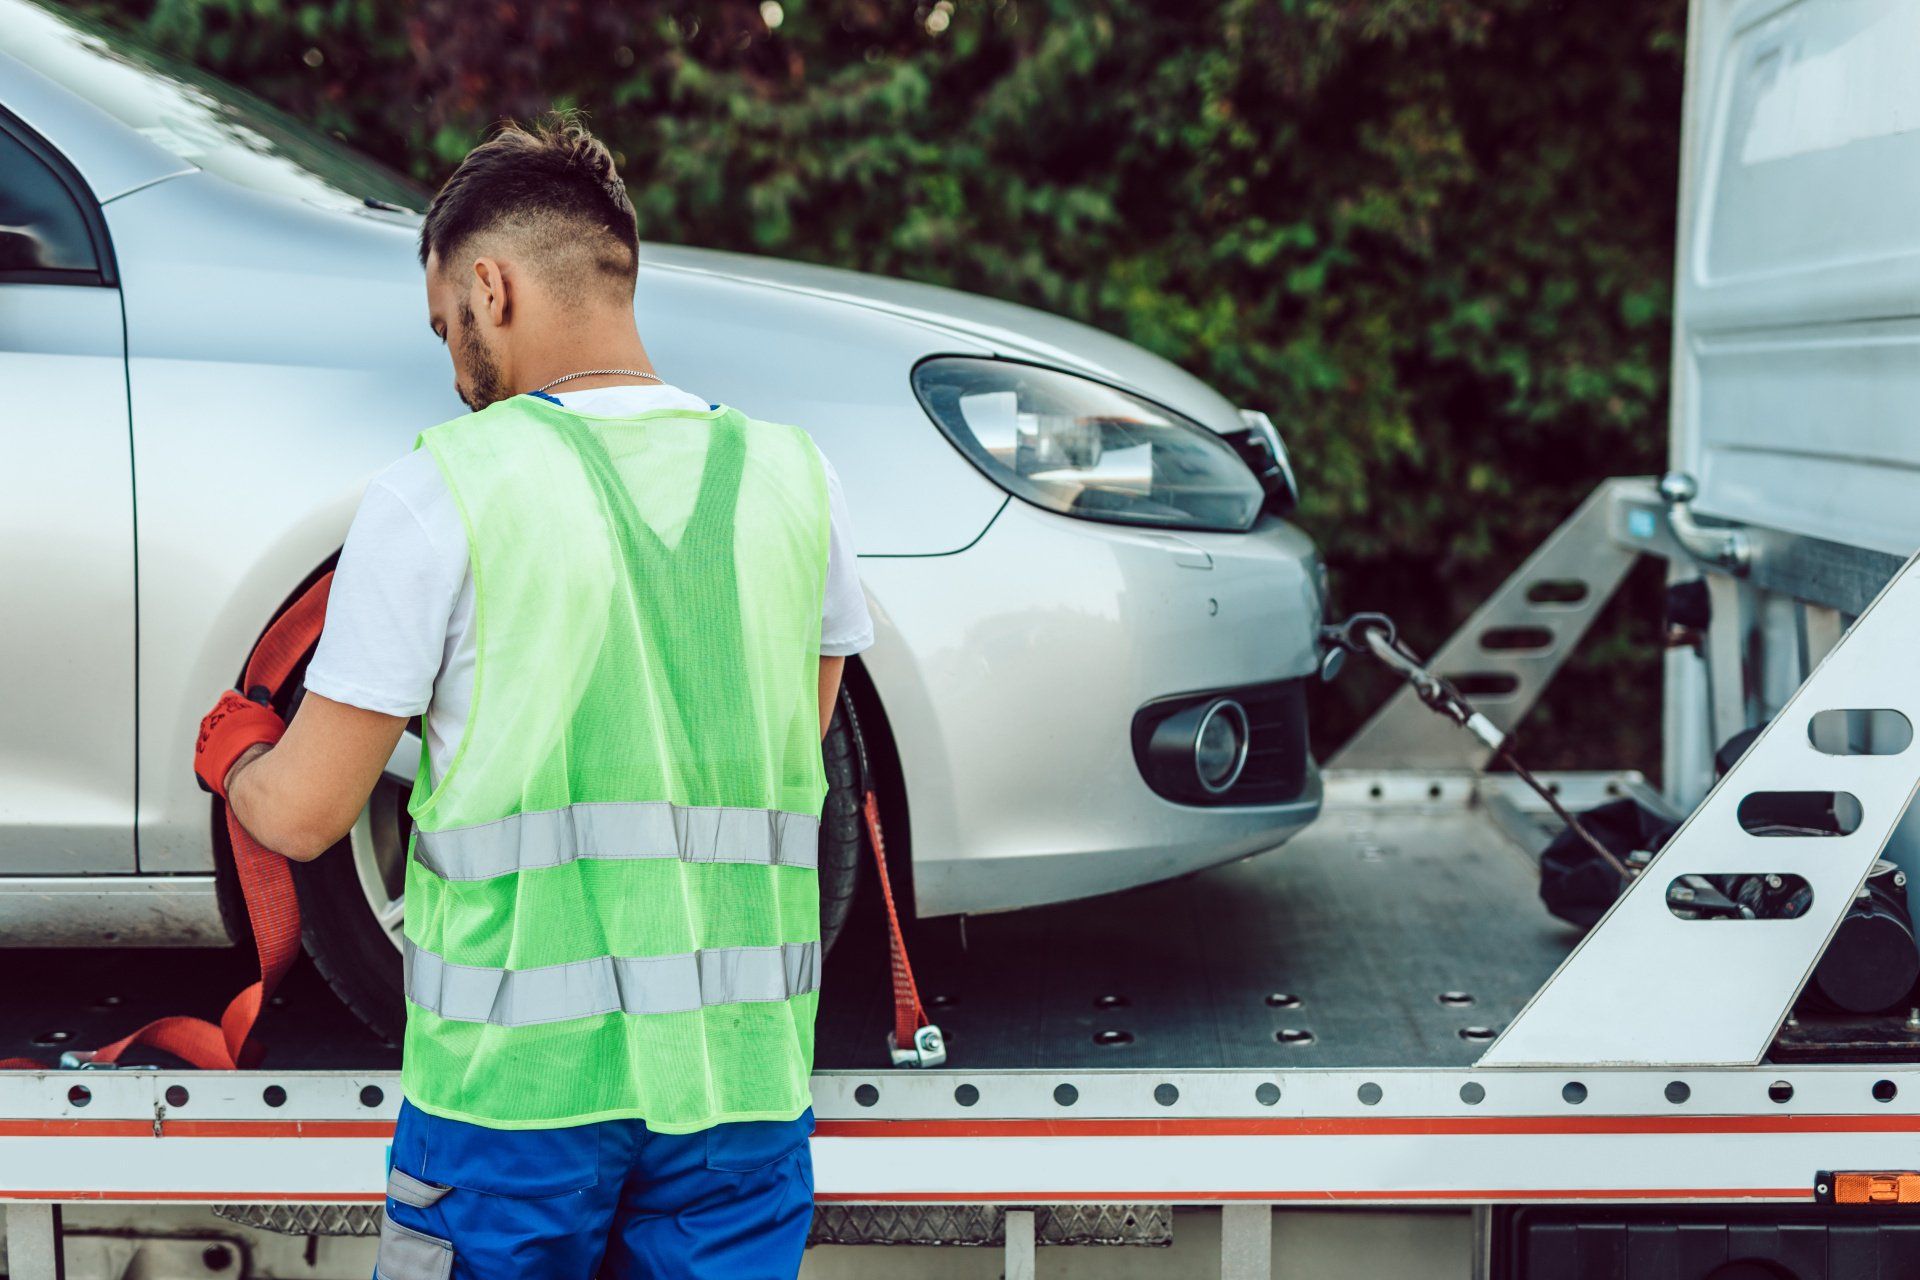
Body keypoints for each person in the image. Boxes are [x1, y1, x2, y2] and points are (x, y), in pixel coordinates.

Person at [190, 115, 874, 1279]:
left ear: (491, 288)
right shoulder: (796, 480)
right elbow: (779, 746)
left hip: (512, 1102)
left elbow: (306, 814)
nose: (455, 365)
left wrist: (240, 754)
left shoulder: (442, 492)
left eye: (448, 324)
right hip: (741, 1091)